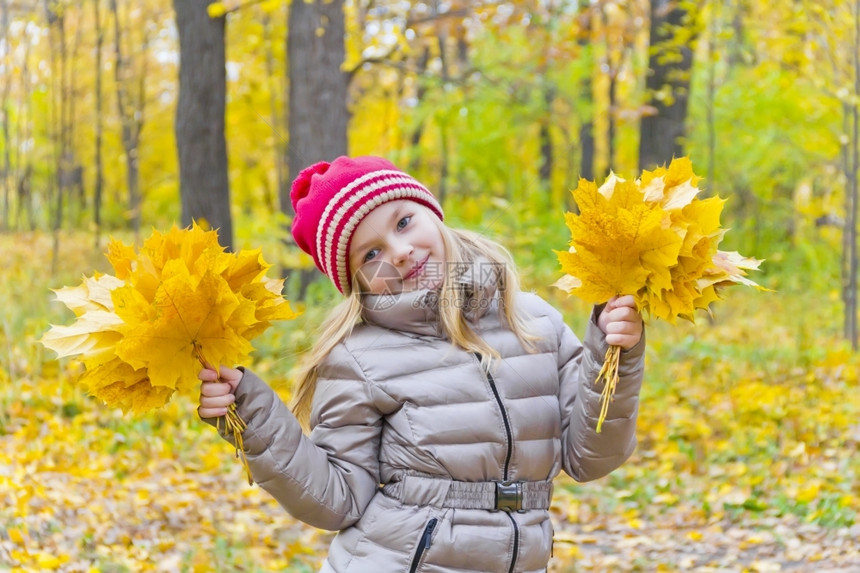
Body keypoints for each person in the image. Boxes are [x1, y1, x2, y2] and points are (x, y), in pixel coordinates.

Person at [197, 155, 645, 573]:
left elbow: (590, 458)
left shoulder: (533, 321)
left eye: (404, 222)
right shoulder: (359, 357)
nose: (400, 251)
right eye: (370, 255)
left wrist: (615, 354)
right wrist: (251, 417)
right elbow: (338, 502)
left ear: (433, 212)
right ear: (355, 283)